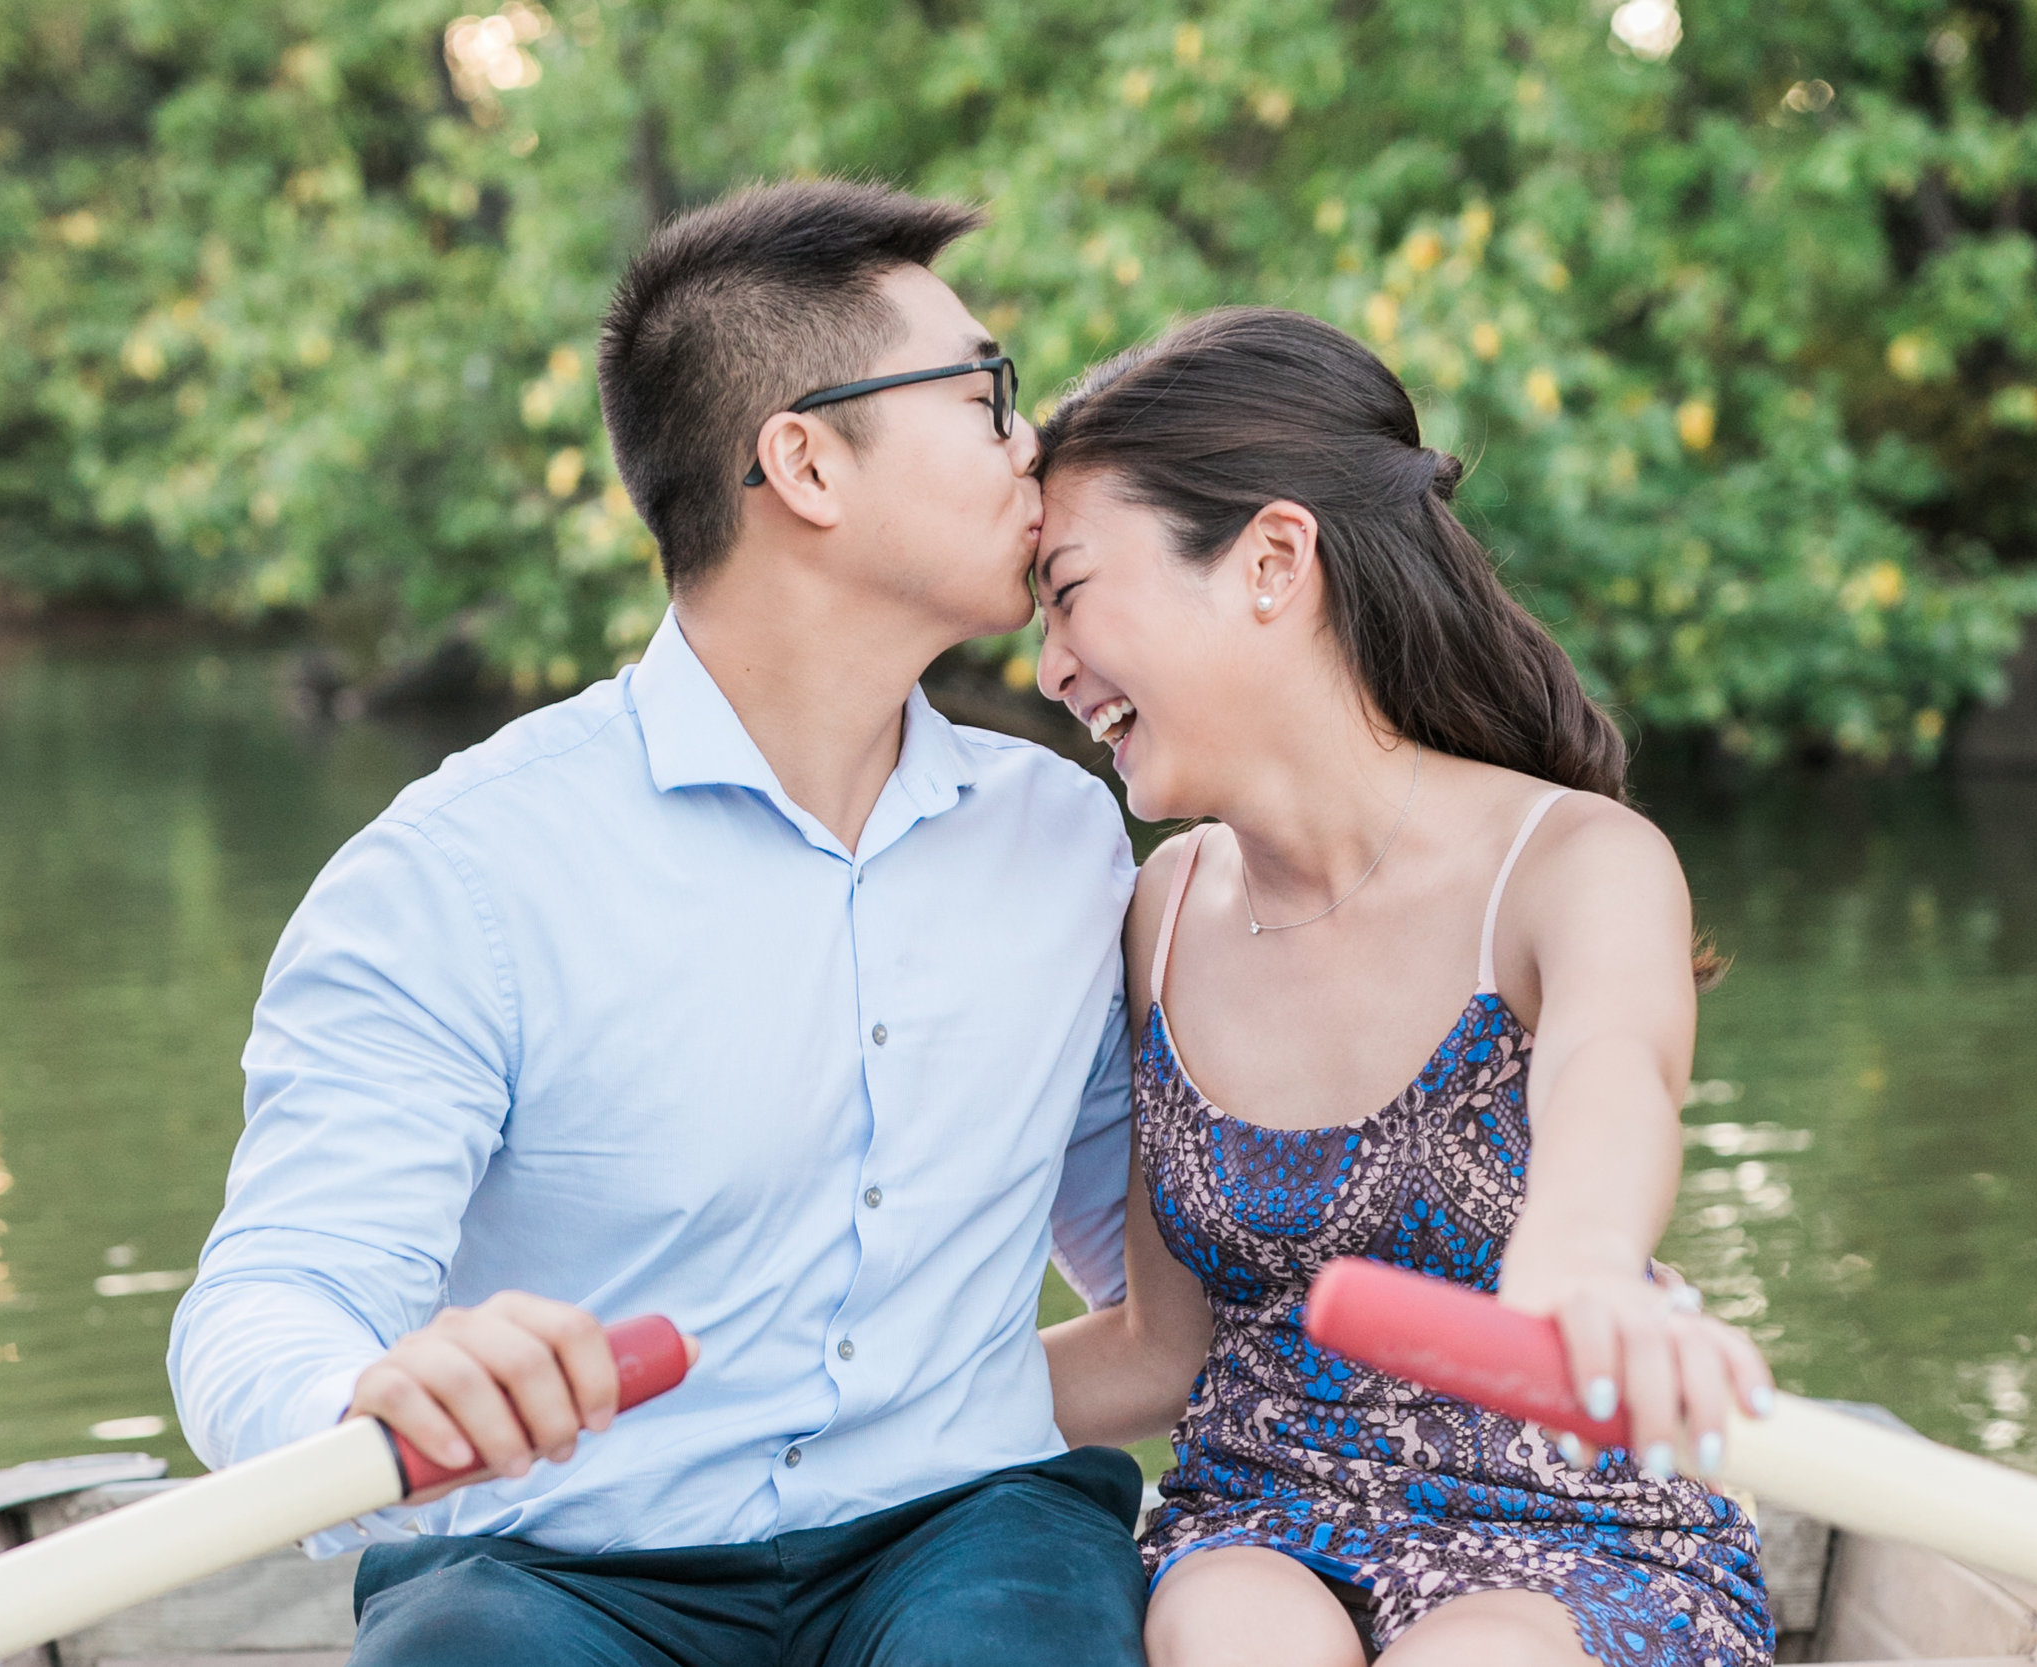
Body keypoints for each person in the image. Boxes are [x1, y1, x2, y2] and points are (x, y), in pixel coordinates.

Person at [168, 181, 1150, 1666]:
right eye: (987, 396)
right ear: (805, 461)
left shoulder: (1063, 835)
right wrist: (361, 1399)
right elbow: (274, 1291)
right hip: (560, 1563)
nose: (1042, 450)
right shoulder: (456, 874)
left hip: (965, 1525)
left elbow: (1150, 1248)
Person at [1030, 308, 1776, 1667]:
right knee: (1233, 1641)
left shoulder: (1574, 865)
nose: (1049, 667)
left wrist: (1584, 1264)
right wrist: (830, 1405)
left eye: (1071, 593)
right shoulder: (1163, 910)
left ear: (1270, 559)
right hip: (1259, 1519)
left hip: (1573, 1526)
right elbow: (1158, 1349)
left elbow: (1617, 1075)